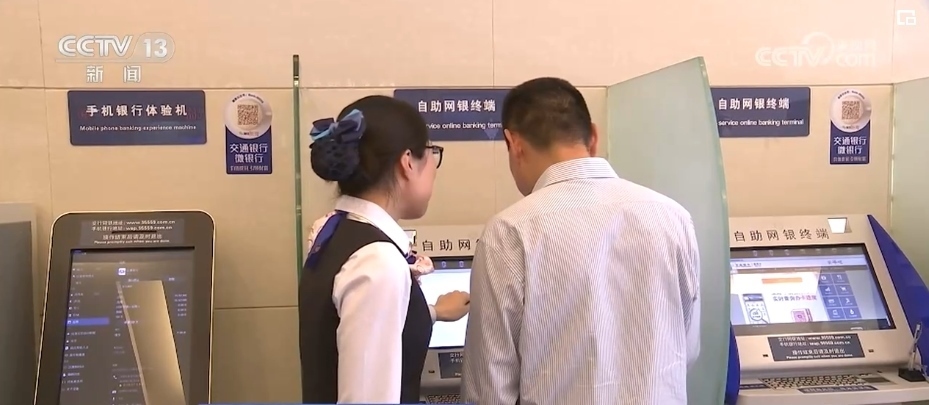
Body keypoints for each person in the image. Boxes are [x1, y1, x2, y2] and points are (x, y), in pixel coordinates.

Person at [460, 78, 701, 405]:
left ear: (513, 143)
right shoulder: (673, 217)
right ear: (594, 137)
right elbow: (686, 348)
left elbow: (490, 387)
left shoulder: (510, 232)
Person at [299, 95, 471, 404]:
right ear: (408, 162)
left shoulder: (332, 231)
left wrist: (431, 313)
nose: (434, 167)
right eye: (431, 153)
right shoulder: (377, 260)